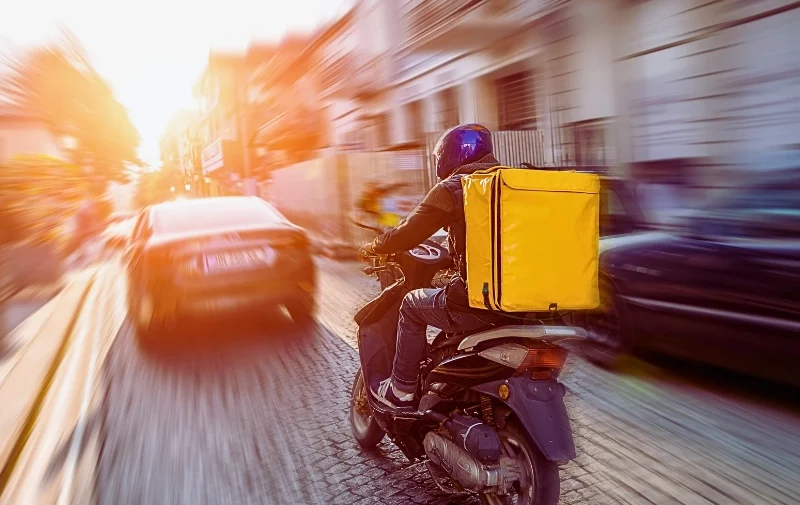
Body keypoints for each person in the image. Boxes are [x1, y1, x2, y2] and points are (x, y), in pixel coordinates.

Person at [359, 124, 506, 410]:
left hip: (480, 302)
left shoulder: (454, 188)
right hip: (533, 304)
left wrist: (374, 246)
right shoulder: (512, 185)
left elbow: (407, 233)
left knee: (411, 305)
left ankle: (401, 389)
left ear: (448, 156)